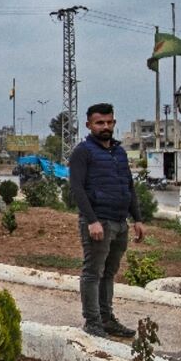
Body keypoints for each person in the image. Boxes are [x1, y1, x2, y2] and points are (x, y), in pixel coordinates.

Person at [68, 103, 145, 338]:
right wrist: (92, 221)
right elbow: (77, 189)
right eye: (100, 123)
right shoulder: (83, 152)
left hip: (120, 222)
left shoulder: (119, 152)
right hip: (98, 222)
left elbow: (128, 186)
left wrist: (137, 219)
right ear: (89, 125)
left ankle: (106, 319)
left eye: (109, 122)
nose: (105, 127)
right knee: (93, 273)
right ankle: (92, 322)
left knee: (109, 273)